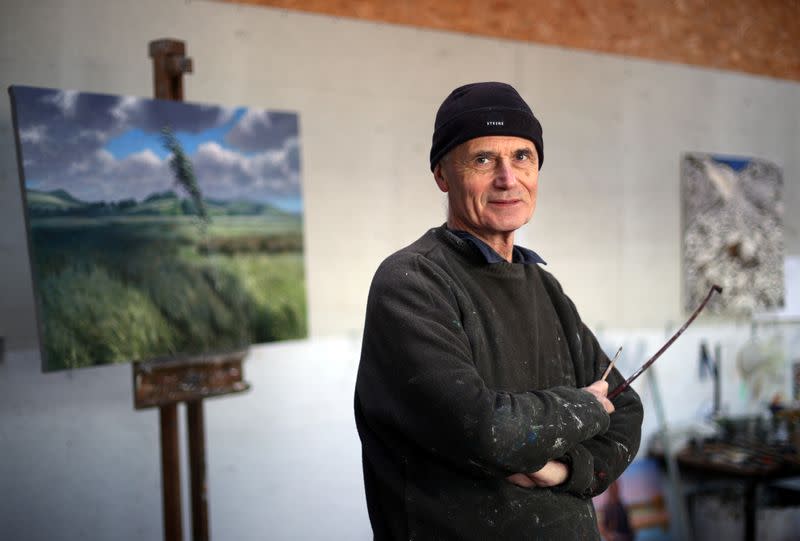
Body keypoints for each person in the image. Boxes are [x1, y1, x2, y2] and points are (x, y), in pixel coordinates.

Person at [354, 82, 643, 540]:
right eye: (483, 159)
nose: (508, 178)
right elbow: (488, 431)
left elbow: (626, 408)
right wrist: (586, 405)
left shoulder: (544, 287)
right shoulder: (412, 282)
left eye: (522, 157)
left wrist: (568, 470)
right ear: (443, 175)